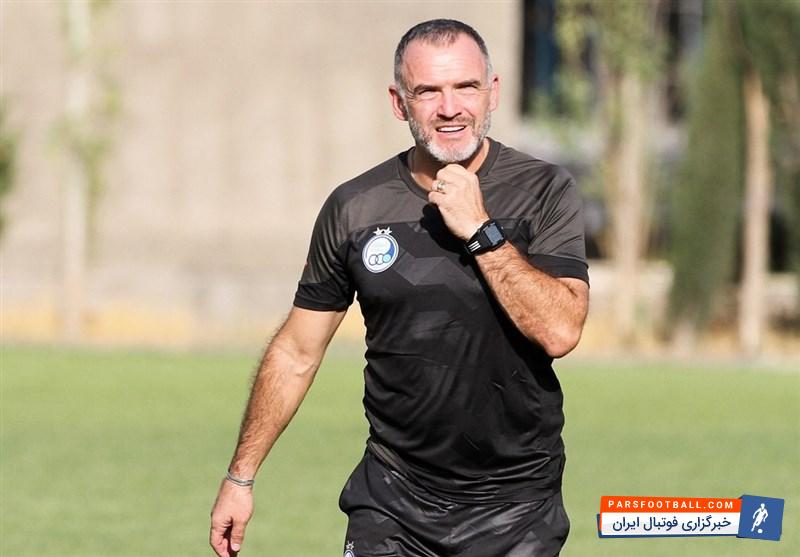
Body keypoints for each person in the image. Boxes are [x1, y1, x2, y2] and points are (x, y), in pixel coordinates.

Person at [210, 18, 589, 557]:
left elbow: (560, 331)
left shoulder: (545, 191)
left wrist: (480, 230)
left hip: (516, 507)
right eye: (428, 91)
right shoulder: (355, 208)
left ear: (493, 92)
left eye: (466, 87)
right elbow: (296, 351)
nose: (450, 107)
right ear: (399, 102)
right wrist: (240, 477)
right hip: (391, 502)